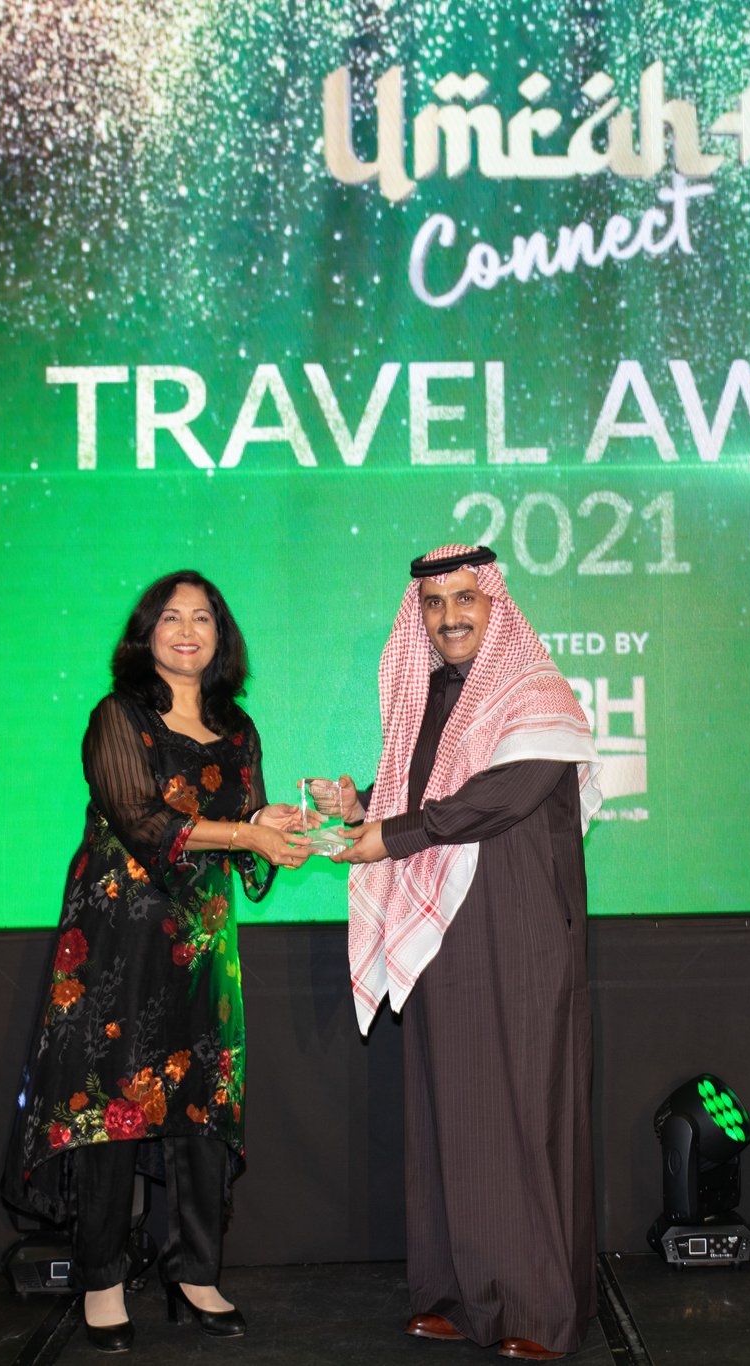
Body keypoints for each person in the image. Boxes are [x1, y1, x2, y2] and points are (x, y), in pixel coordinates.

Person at [3, 570, 314, 1353]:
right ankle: (102, 1282)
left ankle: (195, 1273)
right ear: (145, 635)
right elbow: (143, 820)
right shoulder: (118, 717)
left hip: (202, 946)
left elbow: (246, 834)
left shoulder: (238, 729)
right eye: (170, 617)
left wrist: (274, 825)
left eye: (202, 618)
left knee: (203, 1103)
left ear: (221, 637)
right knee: (111, 1104)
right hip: (116, 944)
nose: (186, 631)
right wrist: (245, 832)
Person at [321, 544, 603, 1361]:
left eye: (464, 599)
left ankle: (535, 1310)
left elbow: (495, 798)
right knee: (446, 1109)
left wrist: (389, 835)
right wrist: (363, 805)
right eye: (433, 603)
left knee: (519, 1113)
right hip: (443, 932)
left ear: (494, 606)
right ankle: (451, 1294)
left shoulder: (535, 692)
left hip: (518, 932)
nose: (449, 617)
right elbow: (421, 793)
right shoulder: (429, 697)